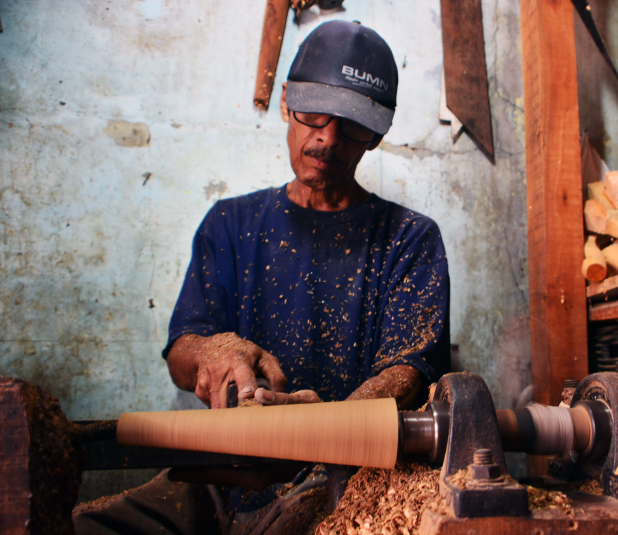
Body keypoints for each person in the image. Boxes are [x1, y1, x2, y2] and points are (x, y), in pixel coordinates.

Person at [73, 20, 450, 535]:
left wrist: (315, 435)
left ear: (378, 135)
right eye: (313, 113)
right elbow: (183, 348)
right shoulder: (229, 225)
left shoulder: (410, 239)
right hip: (220, 470)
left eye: (353, 124)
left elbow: (409, 375)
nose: (328, 137)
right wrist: (211, 352)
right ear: (285, 101)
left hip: (337, 477)